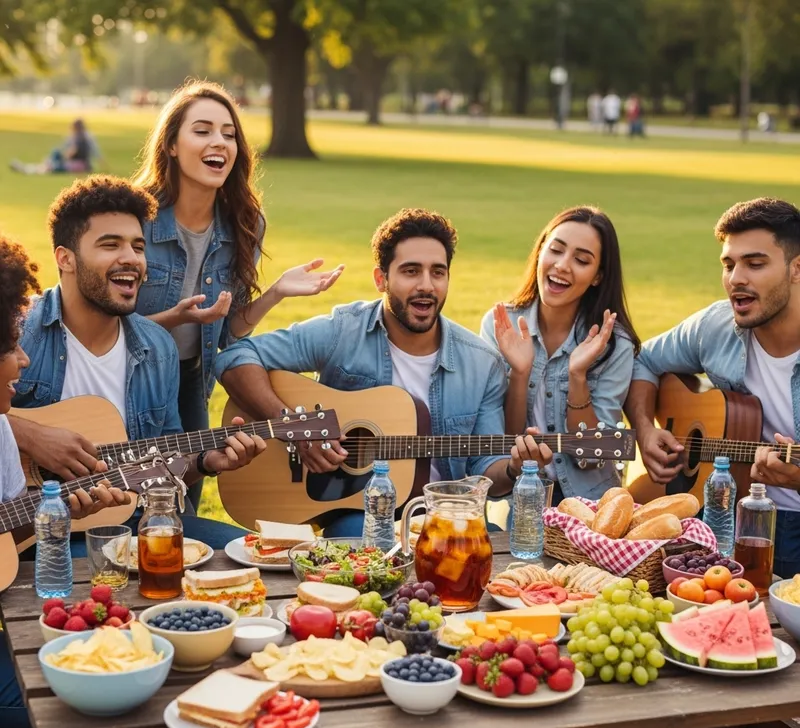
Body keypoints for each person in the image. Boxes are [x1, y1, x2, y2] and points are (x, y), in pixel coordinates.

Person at [216, 208, 551, 536]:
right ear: (381, 279)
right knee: (362, 543)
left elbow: (485, 472)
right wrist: (293, 426)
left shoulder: (482, 364)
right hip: (357, 513)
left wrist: (513, 466)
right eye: (410, 271)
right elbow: (234, 357)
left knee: (491, 544)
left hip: (443, 516)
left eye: (438, 272)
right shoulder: (344, 330)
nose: (426, 285)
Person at [7, 175, 267, 549]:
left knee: (251, 554)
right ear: (65, 258)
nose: (131, 258)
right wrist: (31, 435)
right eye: (110, 245)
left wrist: (207, 461)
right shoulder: (17, 329)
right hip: (34, 535)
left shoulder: (158, 346)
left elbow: (166, 459)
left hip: (132, 522)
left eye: (138, 246)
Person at [132, 80, 343, 511]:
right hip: (128, 376)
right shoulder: (136, 217)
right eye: (203, 130)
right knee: (123, 493)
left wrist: (278, 292)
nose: (219, 143)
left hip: (190, 379)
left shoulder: (243, 224)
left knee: (177, 505)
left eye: (229, 134)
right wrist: (175, 318)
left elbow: (230, 331)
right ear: (171, 144)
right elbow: (99, 328)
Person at [0, 235, 133, 728]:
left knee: (104, 703)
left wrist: (55, 513)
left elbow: (7, 536)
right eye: (8, 344)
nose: (23, 359)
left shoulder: (2, 430)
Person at [625, 197, 800, 577]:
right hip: (717, 517)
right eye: (728, 264)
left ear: (796, 269)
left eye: (755, 264)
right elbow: (644, 362)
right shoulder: (716, 327)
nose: (736, 278)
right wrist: (645, 430)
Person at [480, 206, 640, 504]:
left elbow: (593, 455)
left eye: (581, 260)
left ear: (597, 277)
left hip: (592, 501)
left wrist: (577, 375)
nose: (563, 265)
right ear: (540, 252)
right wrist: (519, 373)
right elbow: (505, 444)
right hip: (525, 496)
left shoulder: (615, 344)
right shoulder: (501, 324)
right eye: (556, 250)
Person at [10, 118, 104, 175]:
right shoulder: (85, 137)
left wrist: (60, 158)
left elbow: (71, 153)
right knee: (53, 159)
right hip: (82, 165)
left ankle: (27, 169)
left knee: (51, 165)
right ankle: (30, 168)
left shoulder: (79, 139)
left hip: (77, 165)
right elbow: (96, 152)